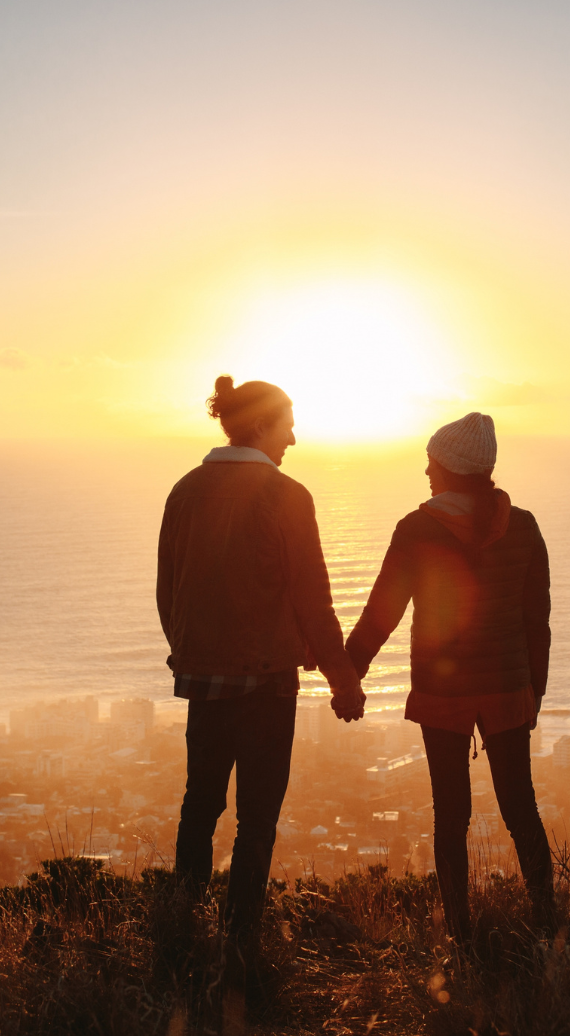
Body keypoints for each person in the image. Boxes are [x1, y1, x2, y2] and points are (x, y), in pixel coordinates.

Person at [158, 375, 366, 960]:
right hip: (269, 682)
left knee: (200, 805)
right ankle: (239, 937)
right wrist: (344, 682)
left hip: (204, 682)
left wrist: (190, 648)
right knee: (256, 817)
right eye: (287, 424)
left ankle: (183, 925)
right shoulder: (286, 496)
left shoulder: (185, 491)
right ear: (258, 426)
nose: (294, 437)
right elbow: (314, 602)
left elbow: (167, 589)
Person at [345, 411, 555, 942]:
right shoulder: (524, 526)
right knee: (521, 808)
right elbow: (538, 620)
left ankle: (461, 936)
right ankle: (548, 923)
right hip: (510, 689)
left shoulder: (418, 529)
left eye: (431, 463)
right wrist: (535, 690)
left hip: (445, 692)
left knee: (450, 817)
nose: (426, 474)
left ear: (451, 468)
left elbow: (382, 611)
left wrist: (349, 670)